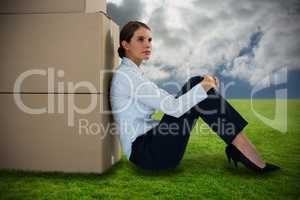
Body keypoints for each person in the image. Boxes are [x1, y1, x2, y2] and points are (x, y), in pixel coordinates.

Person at [110, 21, 280, 172]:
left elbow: (169, 101)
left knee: (197, 87)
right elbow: (174, 108)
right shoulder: (128, 76)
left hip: (151, 145)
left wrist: (203, 89)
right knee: (197, 85)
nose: (147, 45)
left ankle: (241, 147)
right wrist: (204, 87)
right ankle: (243, 148)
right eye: (140, 39)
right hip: (147, 153)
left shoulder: (134, 74)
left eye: (150, 40)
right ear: (125, 44)